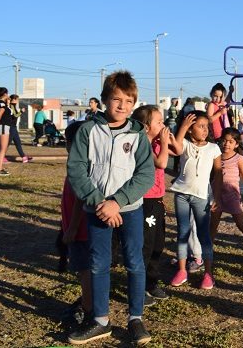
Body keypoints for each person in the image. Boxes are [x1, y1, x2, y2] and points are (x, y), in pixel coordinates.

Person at [67, 71, 154, 345]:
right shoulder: (88, 131)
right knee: (98, 263)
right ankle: (100, 321)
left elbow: (145, 174)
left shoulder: (138, 134)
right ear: (105, 99)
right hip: (97, 210)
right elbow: (77, 170)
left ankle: (135, 319)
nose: (122, 106)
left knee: (134, 262)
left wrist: (118, 202)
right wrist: (99, 202)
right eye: (117, 99)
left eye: (129, 101)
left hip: (129, 209)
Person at [168, 111, 221, 290]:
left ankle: (208, 273)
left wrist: (216, 195)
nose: (205, 130)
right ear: (190, 130)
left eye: (207, 126)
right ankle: (182, 270)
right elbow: (175, 148)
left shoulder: (214, 148)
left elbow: (218, 174)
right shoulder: (184, 144)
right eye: (200, 126)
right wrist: (182, 127)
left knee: (203, 234)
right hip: (181, 194)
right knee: (183, 232)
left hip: (201, 196)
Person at [131, 105, 175, 304]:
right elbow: (162, 163)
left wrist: (169, 139)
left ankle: (151, 282)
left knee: (158, 242)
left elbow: (178, 150)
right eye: (159, 122)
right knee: (146, 245)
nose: (163, 125)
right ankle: (138, 288)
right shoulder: (142, 144)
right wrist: (164, 143)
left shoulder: (157, 142)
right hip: (144, 200)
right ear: (146, 127)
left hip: (156, 200)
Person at [209, 127, 243, 260]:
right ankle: (207, 250)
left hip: (232, 195)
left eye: (231, 142)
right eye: (225, 141)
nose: (227, 144)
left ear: (236, 144)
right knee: (213, 223)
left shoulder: (239, 158)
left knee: (240, 223)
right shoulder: (216, 155)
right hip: (217, 194)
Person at [60, 121, 91, 326]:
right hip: (77, 229)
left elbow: (81, 199)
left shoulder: (80, 168)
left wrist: (71, 228)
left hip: (81, 231)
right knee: (84, 271)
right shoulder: (76, 164)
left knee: (85, 271)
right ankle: (88, 303)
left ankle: (89, 311)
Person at [8, 94, 32, 163]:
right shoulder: (12, 106)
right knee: (7, 143)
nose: (18, 101)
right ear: (14, 99)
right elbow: (15, 115)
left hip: (13, 127)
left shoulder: (13, 106)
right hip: (11, 127)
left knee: (18, 142)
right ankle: (1, 157)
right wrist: (21, 111)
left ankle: (24, 157)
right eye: (17, 99)